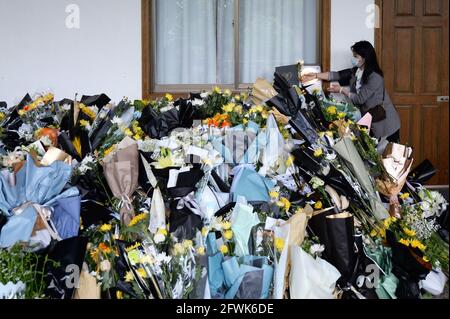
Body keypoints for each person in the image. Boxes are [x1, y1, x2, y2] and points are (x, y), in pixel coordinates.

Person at [302, 40, 401, 142]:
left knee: (389, 152)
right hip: (371, 119)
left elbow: (360, 99)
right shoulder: (357, 71)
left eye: (356, 56)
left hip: (386, 123)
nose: (353, 59)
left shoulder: (375, 77)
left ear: (365, 57)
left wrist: (341, 90)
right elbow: (336, 75)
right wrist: (316, 75)